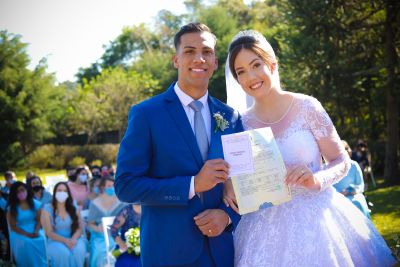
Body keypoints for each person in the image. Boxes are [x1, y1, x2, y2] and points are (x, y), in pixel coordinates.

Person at [223, 30, 396, 266]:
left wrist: (316, 179)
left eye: (256, 65)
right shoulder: (240, 124)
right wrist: (229, 186)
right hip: (264, 230)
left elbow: (341, 160)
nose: (250, 76)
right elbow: (239, 177)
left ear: (272, 65)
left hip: (320, 220)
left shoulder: (307, 106)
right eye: (241, 71)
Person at [115, 22, 243, 267]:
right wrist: (193, 184)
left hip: (221, 254)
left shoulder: (230, 117)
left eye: (207, 52)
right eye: (189, 51)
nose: (199, 58)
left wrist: (227, 218)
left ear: (215, 62)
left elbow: (245, 182)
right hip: (168, 254)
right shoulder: (146, 114)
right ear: (176, 60)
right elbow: (125, 186)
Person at [41, 182, 87, 267]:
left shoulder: (73, 207)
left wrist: (73, 239)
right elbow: (49, 232)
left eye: (65, 191)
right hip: (55, 240)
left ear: (68, 194)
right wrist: (65, 241)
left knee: (78, 250)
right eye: (59, 190)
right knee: (63, 253)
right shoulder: (47, 209)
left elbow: (80, 227)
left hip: (74, 237)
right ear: (54, 193)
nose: (62, 193)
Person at [6, 181, 47, 267]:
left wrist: (36, 231)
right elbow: (13, 226)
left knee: (41, 239)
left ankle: (43, 264)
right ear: (14, 194)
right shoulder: (11, 208)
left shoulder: (35, 203)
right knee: (27, 242)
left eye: (22, 190)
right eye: (17, 192)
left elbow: (39, 220)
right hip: (19, 231)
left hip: (35, 227)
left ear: (27, 190)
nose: (21, 193)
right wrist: (27, 234)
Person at [88, 176, 125, 267]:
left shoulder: (121, 202)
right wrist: (98, 228)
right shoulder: (95, 203)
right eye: (109, 186)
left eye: (113, 185)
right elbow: (90, 224)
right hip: (100, 236)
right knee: (100, 251)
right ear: (102, 187)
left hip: (117, 234)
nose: (111, 188)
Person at [333, 140, 371, 218]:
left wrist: (354, 190)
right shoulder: (332, 167)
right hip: (338, 197)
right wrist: (339, 193)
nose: (347, 151)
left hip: (354, 195)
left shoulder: (354, 165)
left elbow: (360, 184)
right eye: (343, 149)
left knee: (357, 202)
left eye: (347, 148)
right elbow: (330, 187)